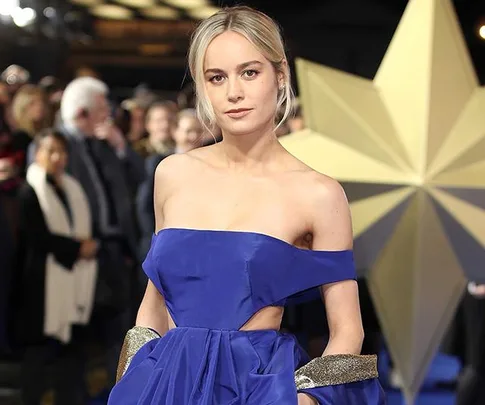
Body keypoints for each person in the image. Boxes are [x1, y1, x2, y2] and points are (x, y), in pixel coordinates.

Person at [108, 6, 386, 405]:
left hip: (255, 389)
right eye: (216, 77)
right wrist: (134, 383)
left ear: (281, 74)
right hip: (163, 387)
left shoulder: (319, 194)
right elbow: (154, 302)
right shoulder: (173, 174)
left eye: (249, 72)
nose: (233, 92)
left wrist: (301, 402)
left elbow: (347, 332)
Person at [15, 129, 98, 405]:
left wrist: (85, 246)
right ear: (37, 154)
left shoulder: (71, 188)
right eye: (51, 151)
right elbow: (36, 237)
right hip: (39, 285)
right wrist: (77, 248)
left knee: (71, 357)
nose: (58, 157)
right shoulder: (27, 191)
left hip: (72, 280)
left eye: (62, 152)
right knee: (37, 358)